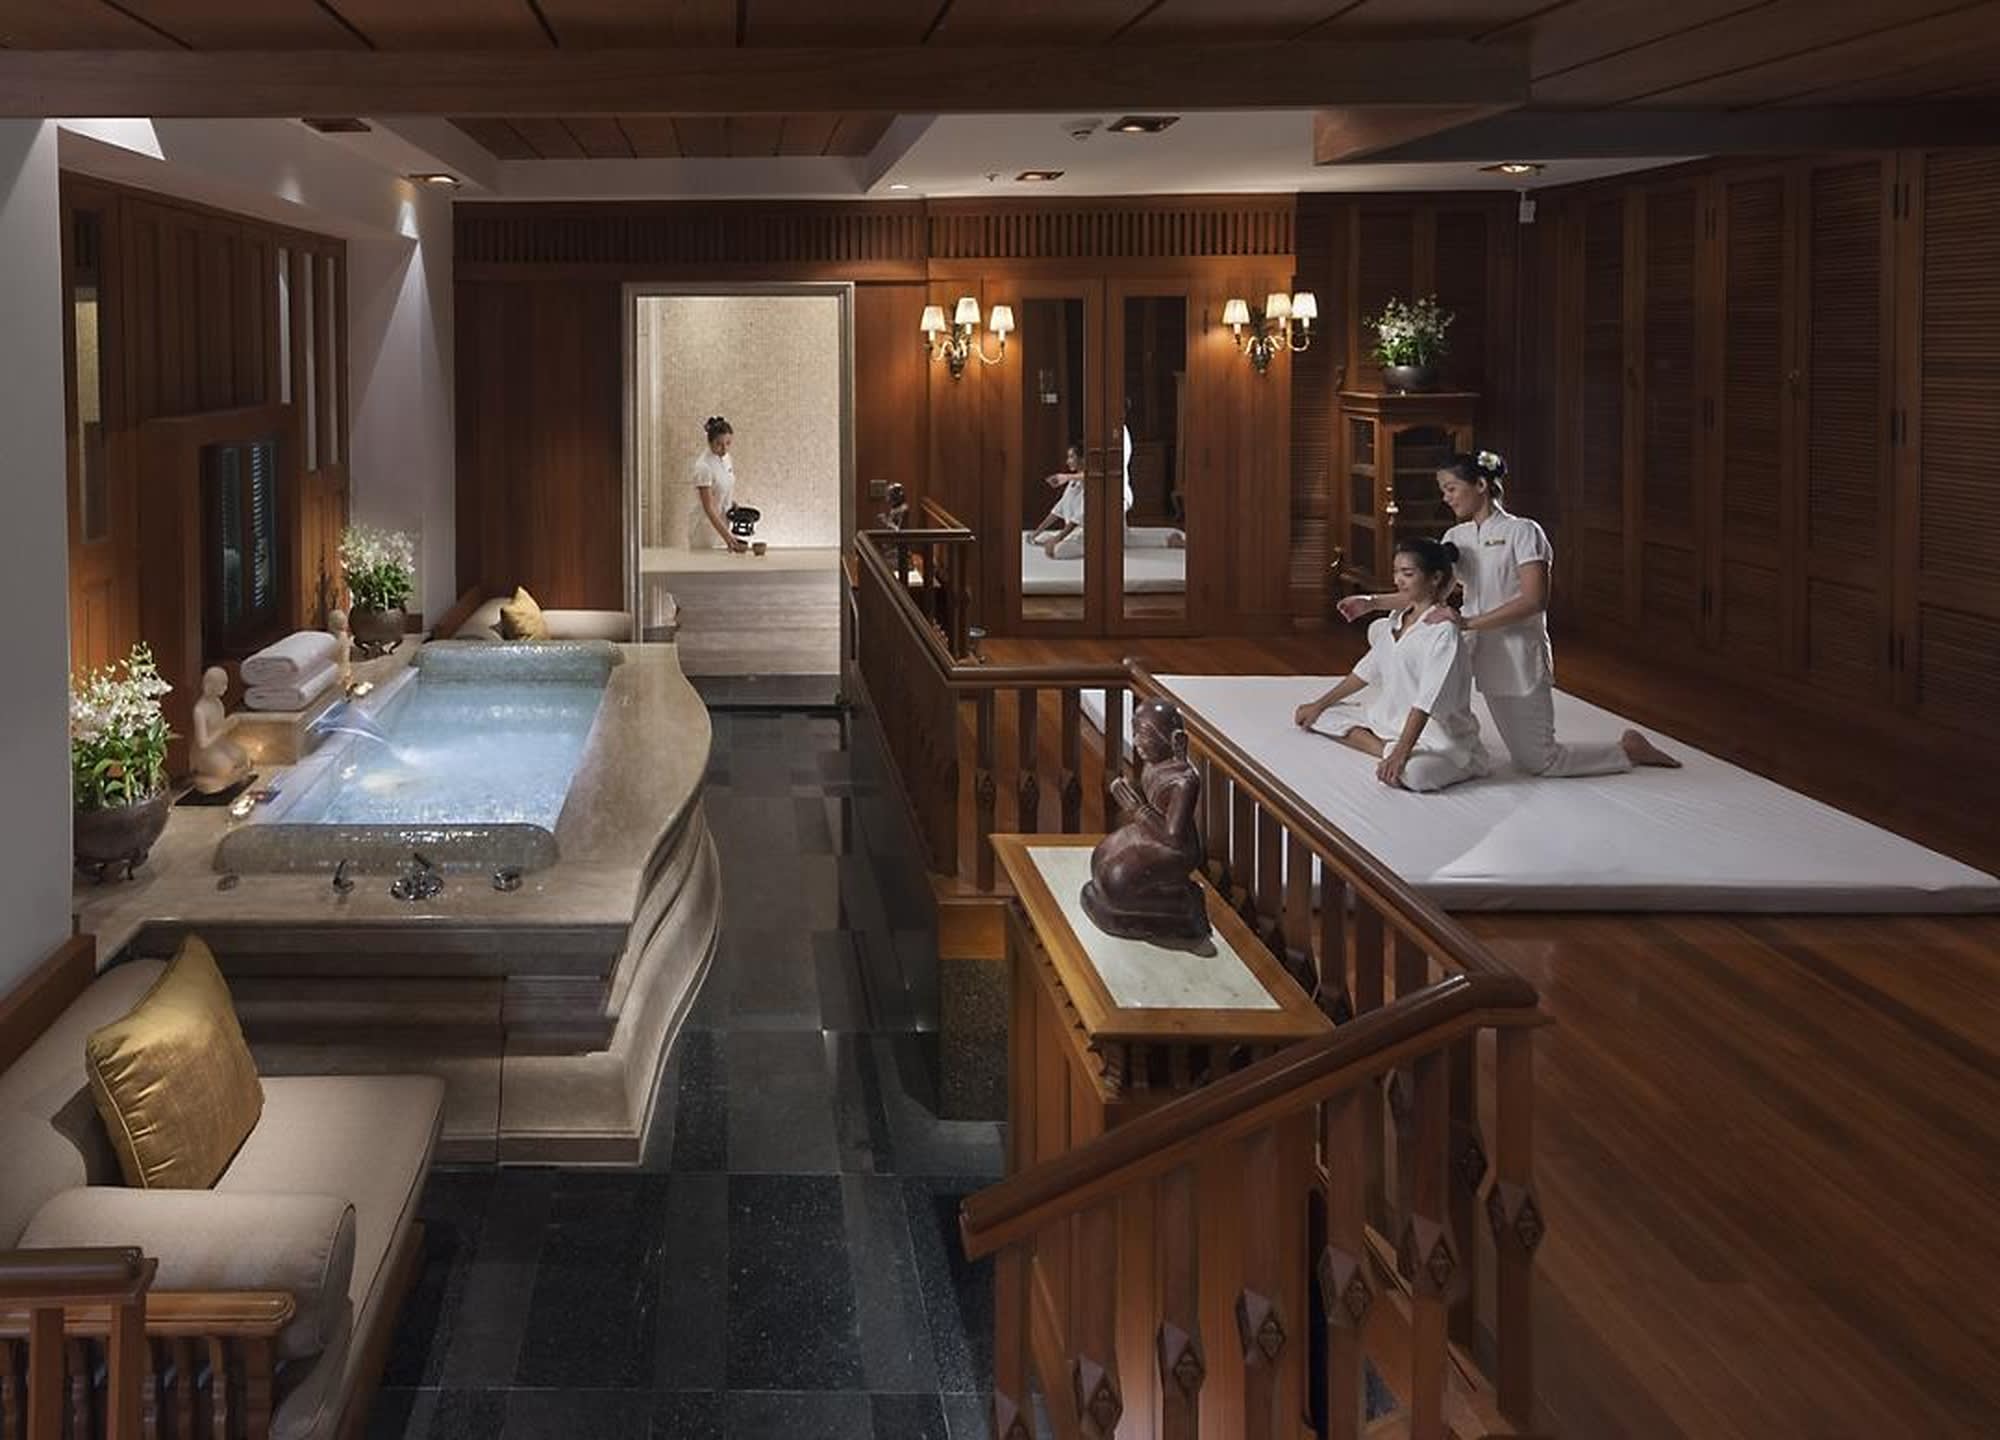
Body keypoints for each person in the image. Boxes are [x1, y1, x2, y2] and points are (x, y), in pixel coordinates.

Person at [1337, 450, 1678, 775]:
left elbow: (1534, 601)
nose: (1446, 497)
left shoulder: (1523, 532)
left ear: (1480, 485)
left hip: (1514, 651)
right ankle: (1402, 738)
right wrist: (1371, 602)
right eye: (1443, 490)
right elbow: (1428, 594)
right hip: (1468, 647)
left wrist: (1468, 621)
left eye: (1451, 488)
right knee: (1406, 662)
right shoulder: (1456, 536)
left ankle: (1628, 750)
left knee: (1539, 762)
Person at [1294, 538, 1489, 792]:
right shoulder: (1396, 618)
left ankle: (1465, 761)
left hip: (1437, 735)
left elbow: (1426, 701)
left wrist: (1402, 752)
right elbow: (1364, 672)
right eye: (1396, 572)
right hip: (1391, 722)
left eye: (1407, 574)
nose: (1398, 580)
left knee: (1414, 775)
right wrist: (1319, 704)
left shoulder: (1443, 631)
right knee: (1317, 716)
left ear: (1435, 578)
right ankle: (1385, 748)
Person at [687, 414, 748, 553]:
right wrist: (727, 536)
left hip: (723, 525)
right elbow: (708, 507)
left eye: (728, 443)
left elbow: (722, 486)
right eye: (719, 444)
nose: (724, 449)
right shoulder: (703, 467)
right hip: (705, 531)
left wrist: (730, 502)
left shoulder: (726, 458)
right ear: (709, 442)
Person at [1030, 443, 1088, 558]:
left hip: (1083, 533)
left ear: (1083, 459)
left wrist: (1058, 538)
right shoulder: (1073, 481)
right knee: (1039, 538)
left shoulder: (1091, 483)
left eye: (1071, 457)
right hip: (1071, 531)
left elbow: (1078, 518)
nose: (1068, 461)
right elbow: (1057, 510)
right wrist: (1037, 532)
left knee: (1055, 551)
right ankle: (1060, 540)